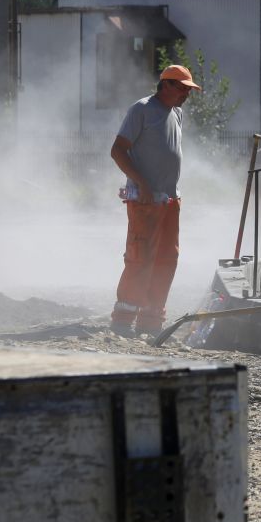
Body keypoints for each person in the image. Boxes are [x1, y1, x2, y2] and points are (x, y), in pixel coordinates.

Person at [108, 64, 200, 337]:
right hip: (146, 200)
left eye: (188, 90)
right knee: (140, 257)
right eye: (183, 88)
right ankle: (123, 321)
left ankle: (151, 322)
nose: (186, 94)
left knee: (166, 259)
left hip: (169, 200)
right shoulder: (141, 109)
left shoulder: (177, 114)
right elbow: (118, 151)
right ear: (167, 85)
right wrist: (143, 184)